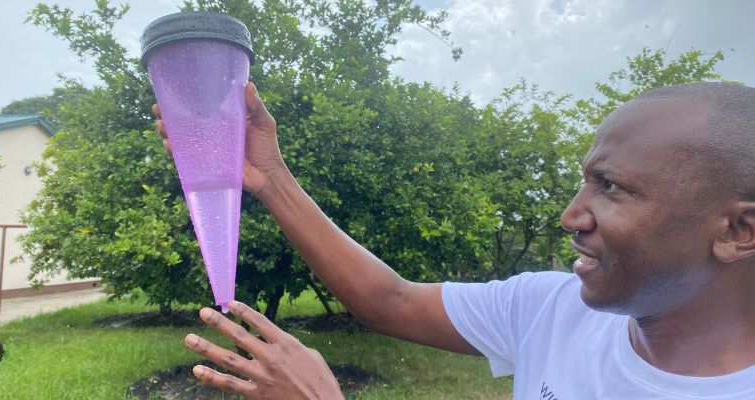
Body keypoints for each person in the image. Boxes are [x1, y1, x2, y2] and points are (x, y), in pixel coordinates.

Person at [153, 81, 755, 399]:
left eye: (613, 187)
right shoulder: (552, 309)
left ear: (738, 231)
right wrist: (270, 178)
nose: (573, 216)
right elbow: (390, 301)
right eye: (583, 182)